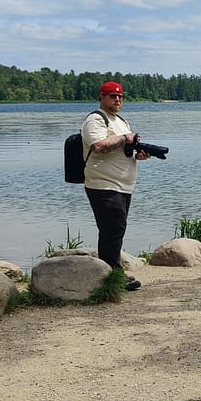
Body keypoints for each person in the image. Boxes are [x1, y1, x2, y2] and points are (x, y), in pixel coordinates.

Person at [82, 81, 150, 291]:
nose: (117, 100)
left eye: (120, 96)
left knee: (115, 230)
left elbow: (122, 149)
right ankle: (113, 277)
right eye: (112, 96)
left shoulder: (121, 121)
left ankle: (110, 274)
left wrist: (138, 155)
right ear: (101, 97)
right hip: (103, 184)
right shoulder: (95, 119)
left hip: (123, 186)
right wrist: (123, 138)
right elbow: (99, 146)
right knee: (113, 230)